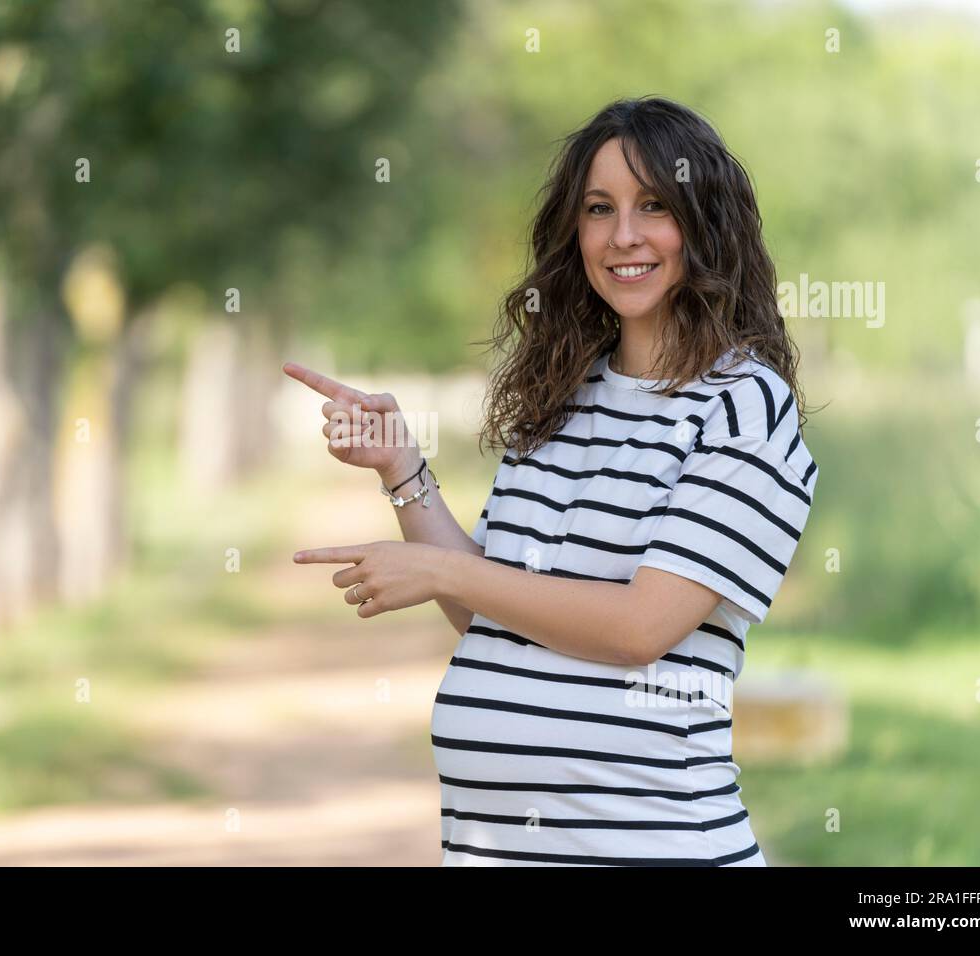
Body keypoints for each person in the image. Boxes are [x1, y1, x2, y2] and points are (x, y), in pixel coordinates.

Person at [285, 95, 819, 866]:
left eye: (655, 207)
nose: (623, 235)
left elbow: (643, 627)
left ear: (704, 225)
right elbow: (490, 613)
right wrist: (403, 468)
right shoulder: (562, 395)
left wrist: (439, 567)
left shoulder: (742, 405)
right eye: (599, 208)